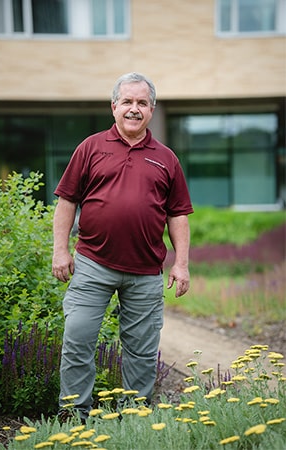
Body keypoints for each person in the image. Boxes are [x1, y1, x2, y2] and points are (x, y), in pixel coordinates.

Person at [52, 72, 193, 421]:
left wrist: (182, 263)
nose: (134, 109)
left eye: (142, 103)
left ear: (152, 109)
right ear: (114, 106)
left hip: (145, 271)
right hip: (92, 264)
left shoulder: (167, 158)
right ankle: (74, 416)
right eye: (127, 102)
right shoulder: (90, 147)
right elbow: (67, 201)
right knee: (78, 340)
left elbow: (178, 215)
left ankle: (134, 418)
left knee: (142, 353)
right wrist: (60, 250)